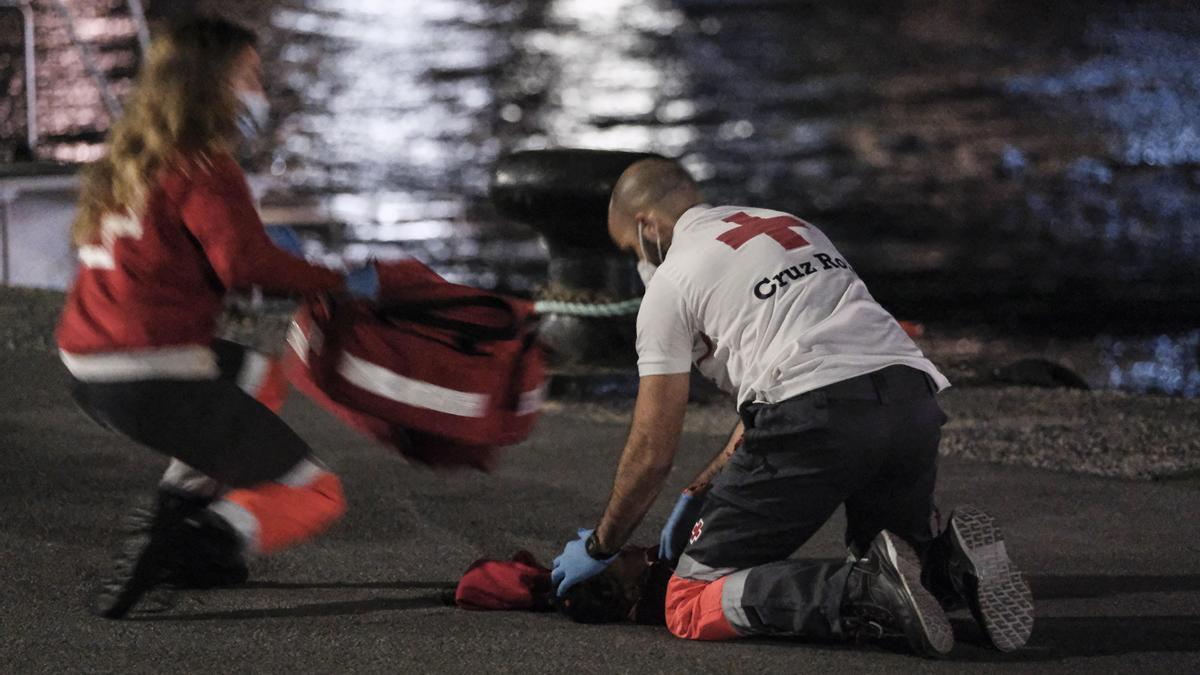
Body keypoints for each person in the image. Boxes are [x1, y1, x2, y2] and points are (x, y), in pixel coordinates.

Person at [550, 159, 1034, 656]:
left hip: (818, 418)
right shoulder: (790, 226)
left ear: (647, 225)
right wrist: (703, 489)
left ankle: (861, 591)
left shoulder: (671, 283)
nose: (637, 260)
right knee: (898, 556)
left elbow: (652, 449)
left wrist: (601, 546)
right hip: (912, 403)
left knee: (690, 600)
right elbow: (795, 361)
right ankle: (947, 570)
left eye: (631, 247)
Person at [56, 16, 381, 618]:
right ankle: (193, 540)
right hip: (155, 372)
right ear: (211, 85)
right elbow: (243, 263)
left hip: (88, 369)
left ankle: (174, 515)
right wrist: (340, 281)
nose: (260, 90)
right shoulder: (206, 167)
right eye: (249, 76)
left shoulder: (132, 159)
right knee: (315, 493)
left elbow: (182, 253)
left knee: (261, 377)